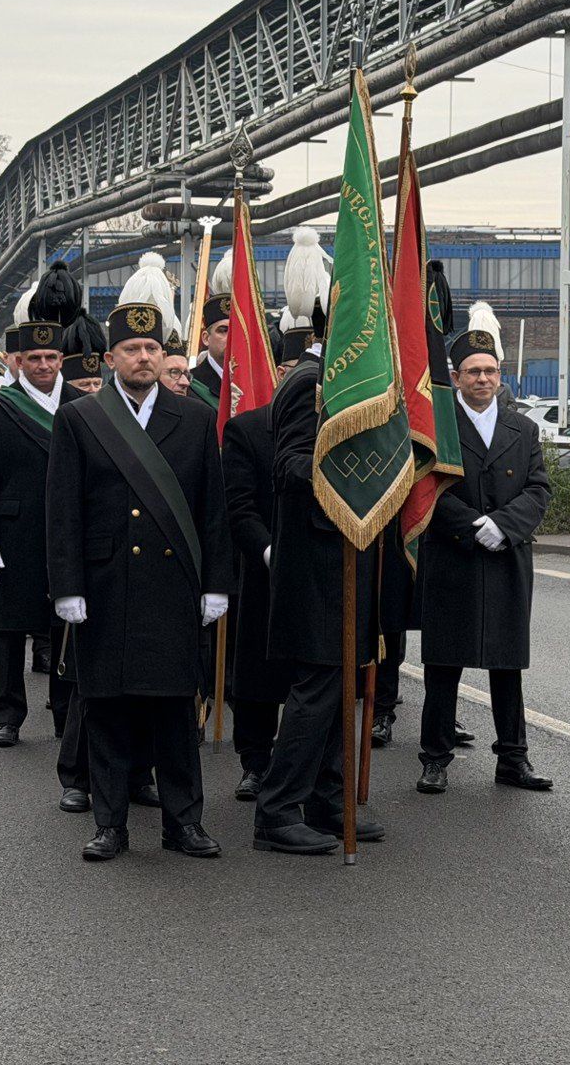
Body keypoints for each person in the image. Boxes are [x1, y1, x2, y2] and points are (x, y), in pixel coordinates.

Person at [45, 279, 230, 863]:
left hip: (174, 588)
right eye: (132, 349)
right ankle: (111, 825)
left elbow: (212, 510)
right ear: (111, 359)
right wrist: (67, 587)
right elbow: (63, 510)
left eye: (152, 348)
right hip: (106, 586)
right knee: (108, 709)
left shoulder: (194, 419)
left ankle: (184, 822)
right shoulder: (80, 419)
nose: (144, 357)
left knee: (175, 710)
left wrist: (217, 584)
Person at [252, 227, 386, 856]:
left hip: (346, 556)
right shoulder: (308, 383)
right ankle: (277, 809)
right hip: (315, 563)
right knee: (316, 691)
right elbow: (288, 466)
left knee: (341, 687)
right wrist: (351, 480)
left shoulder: (344, 383)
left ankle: (328, 799)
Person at [415, 303, 553, 795]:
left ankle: (513, 759)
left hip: (506, 557)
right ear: (455, 377)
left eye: (490, 370)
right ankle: (435, 758)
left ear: (500, 374)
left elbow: (538, 488)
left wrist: (504, 525)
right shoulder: (438, 426)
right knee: (443, 665)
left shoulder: (524, 428)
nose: (483, 379)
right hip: (454, 554)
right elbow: (424, 487)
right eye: (473, 371)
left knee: (507, 665)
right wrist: (474, 526)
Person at [0, 266, 83, 748]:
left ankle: (65, 716)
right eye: (33, 357)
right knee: (10, 631)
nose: (42, 365)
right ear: (19, 361)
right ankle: (7, 715)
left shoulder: (81, 405)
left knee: (64, 627)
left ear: (61, 359)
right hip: (14, 534)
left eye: (50, 356)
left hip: (65, 532)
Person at [220, 336, 300, 802]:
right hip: (263, 570)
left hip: (318, 576)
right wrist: (270, 552)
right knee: (257, 675)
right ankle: (254, 762)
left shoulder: (336, 427)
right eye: (293, 368)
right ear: (278, 372)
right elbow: (240, 507)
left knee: (311, 680)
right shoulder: (247, 429)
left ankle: (305, 767)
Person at [190, 254, 230, 410]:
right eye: (223, 331)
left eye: (237, 332)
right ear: (206, 338)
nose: (231, 338)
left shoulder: (256, 381)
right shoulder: (191, 384)